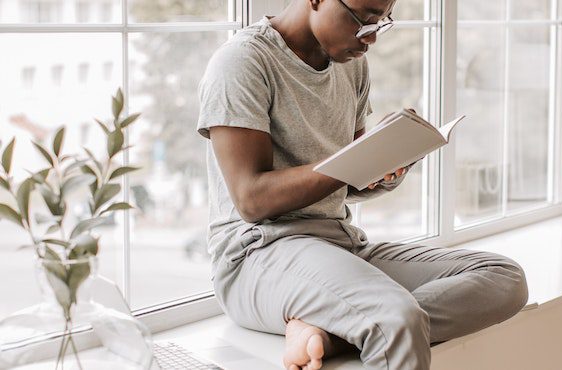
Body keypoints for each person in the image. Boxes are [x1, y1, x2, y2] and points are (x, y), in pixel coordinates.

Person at [196, 0, 529, 369]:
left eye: (382, 23)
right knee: (396, 317)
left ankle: (331, 332)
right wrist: (353, 159)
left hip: (340, 244)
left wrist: (384, 163)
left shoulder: (352, 67)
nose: (370, 38)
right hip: (257, 255)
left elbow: (343, 183)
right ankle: (362, 323)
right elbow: (252, 199)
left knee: (503, 278)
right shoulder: (242, 62)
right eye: (363, 20)